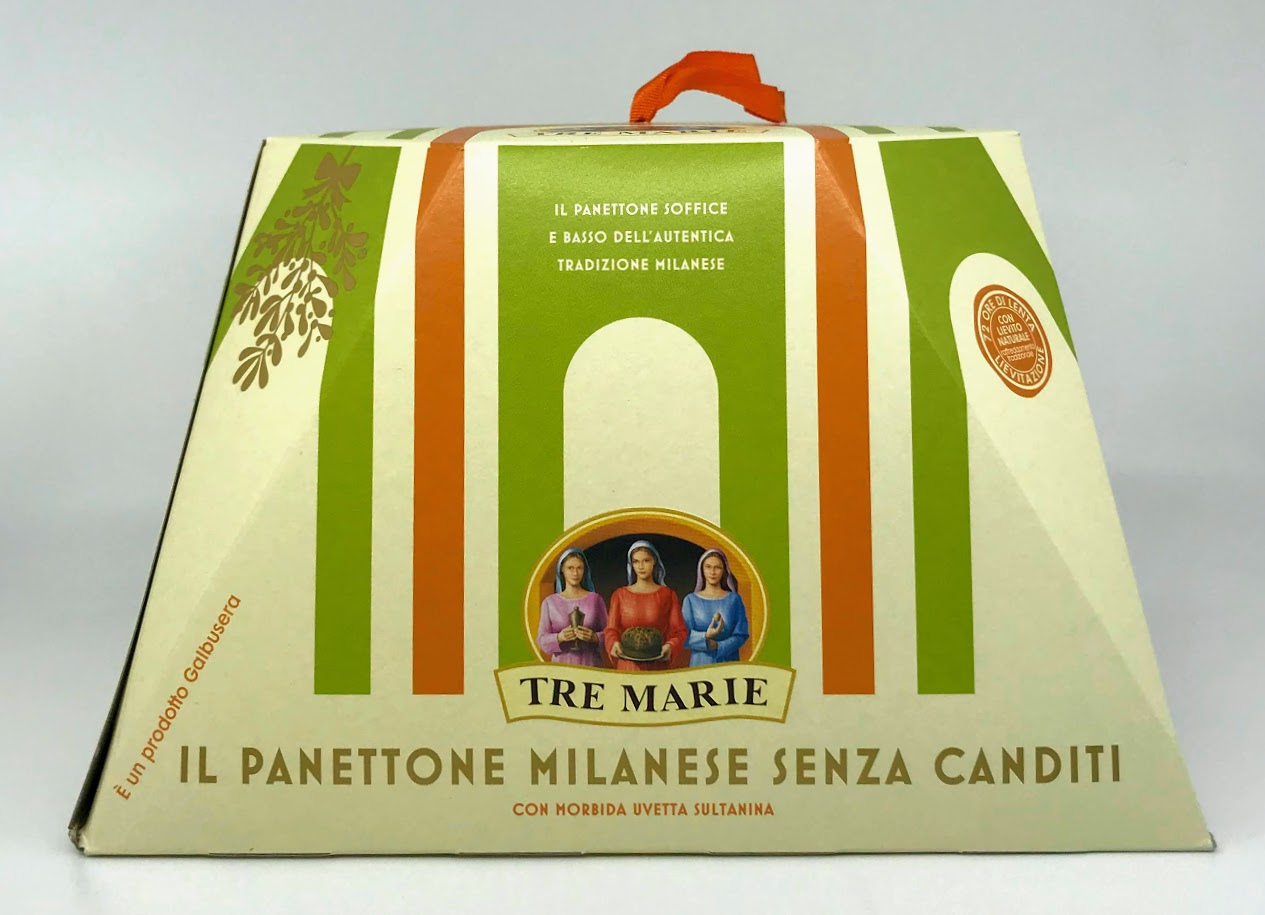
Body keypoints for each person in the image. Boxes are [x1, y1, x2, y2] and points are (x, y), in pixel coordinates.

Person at [604, 540, 687, 671]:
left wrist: (670, 646)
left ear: (654, 561)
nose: (641, 566)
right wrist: (613, 643)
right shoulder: (620, 595)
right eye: (636, 562)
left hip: (657, 664)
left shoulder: (667, 594)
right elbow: (611, 630)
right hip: (628, 666)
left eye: (646, 561)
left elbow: (679, 631)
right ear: (631, 564)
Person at [536, 547, 607, 667]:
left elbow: (610, 634)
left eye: (580, 568)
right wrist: (559, 637)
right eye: (570, 568)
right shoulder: (549, 602)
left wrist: (595, 637)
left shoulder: (595, 599)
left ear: (585, 570)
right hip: (562, 667)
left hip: (591, 665)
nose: (575, 573)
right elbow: (541, 640)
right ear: (562, 570)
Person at [681, 549, 749, 666]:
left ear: (724, 571)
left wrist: (718, 646)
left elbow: (741, 634)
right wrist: (705, 636)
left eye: (717, 568)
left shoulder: (734, 599)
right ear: (702, 570)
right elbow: (683, 636)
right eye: (708, 567)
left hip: (728, 663)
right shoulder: (690, 600)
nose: (712, 572)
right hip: (700, 663)